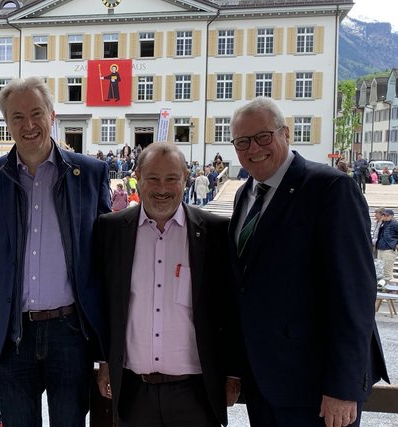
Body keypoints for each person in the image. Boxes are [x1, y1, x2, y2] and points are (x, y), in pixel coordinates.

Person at [228, 97, 387, 426]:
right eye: (242, 141)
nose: (253, 148)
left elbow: (355, 294)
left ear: (286, 133)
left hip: (316, 389)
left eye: (262, 137)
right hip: (266, 384)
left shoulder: (330, 188)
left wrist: (343, 387)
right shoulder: (246, 193)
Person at [0, 76, 111, 427]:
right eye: (17, 117)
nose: (28, 125)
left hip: (70, 333)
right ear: (7, 123)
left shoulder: (89, 173)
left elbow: (107, 266)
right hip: (12, 335)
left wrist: (107, 350)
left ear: (52, 115)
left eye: (36, 113)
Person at [95, 142, 239, 427]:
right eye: (153, 179)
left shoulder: (215, 232)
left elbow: (230, 306)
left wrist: (233, 372)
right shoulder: (111, 229)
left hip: (196, 394)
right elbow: (105, 301)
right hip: (134, 392)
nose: (163, 188)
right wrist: (104, 362)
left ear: (185, 177)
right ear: (138, 176)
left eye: (172, 178)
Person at [376, 209, 398, 282]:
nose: (385, 216)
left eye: (387, 215)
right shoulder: (383, 223)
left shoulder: (395, 223)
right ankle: (385, 288)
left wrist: (396, 244)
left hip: (389, 249)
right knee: (380, 271)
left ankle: (391, 289)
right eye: (384, 215)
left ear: (391, 216)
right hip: (380, 248)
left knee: (387, 273)